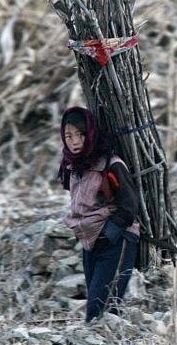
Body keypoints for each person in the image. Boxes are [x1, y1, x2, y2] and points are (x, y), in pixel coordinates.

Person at [58, 107, 140, 321]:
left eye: (80, 134)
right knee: (97, 305)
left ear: (90, 133)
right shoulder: (72, 167)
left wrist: (109, 232)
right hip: (89, 240)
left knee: (101, 309)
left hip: (115, 239)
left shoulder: (110, 165)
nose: (74, 141)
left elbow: (129, 206)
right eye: (69, 136)